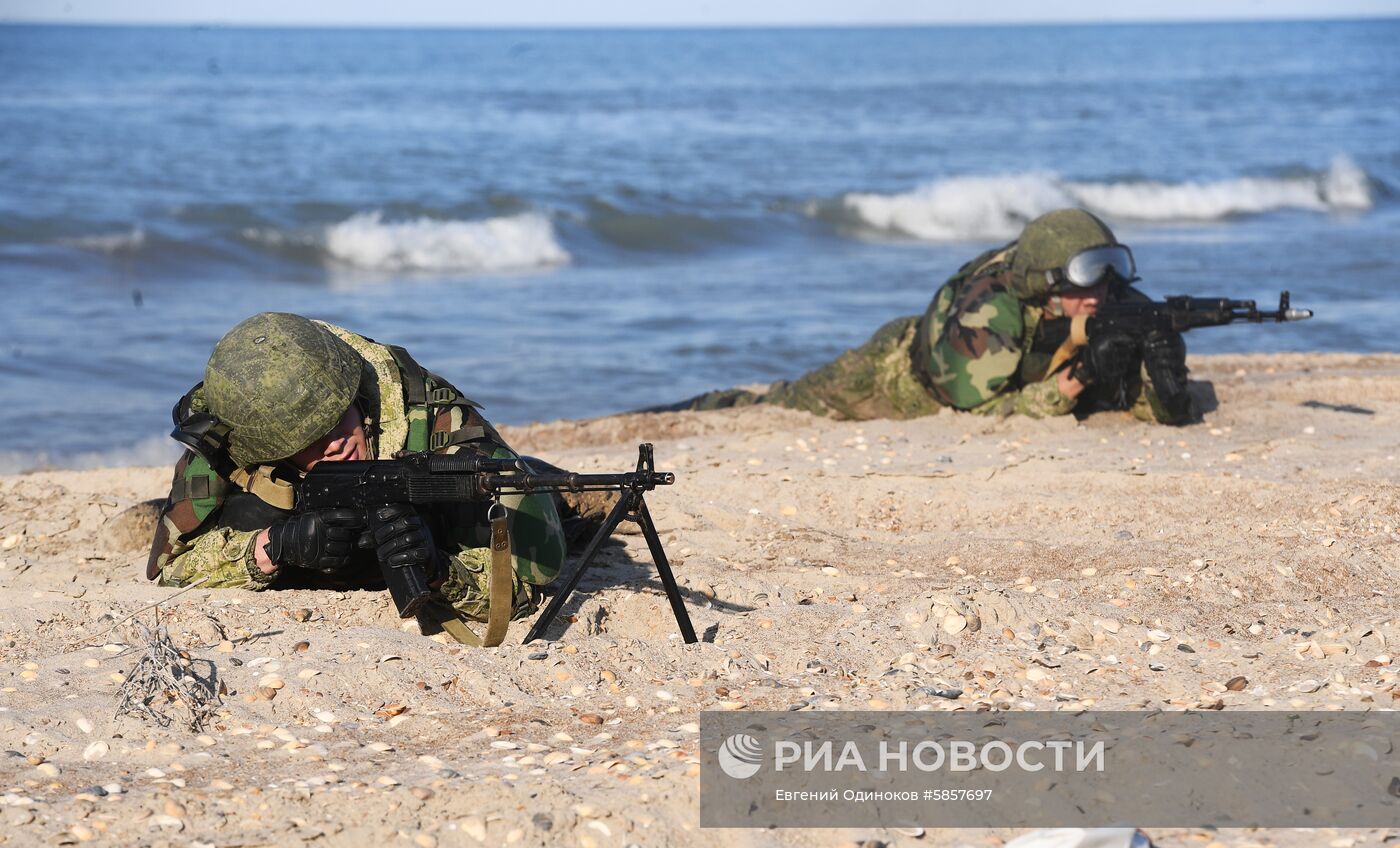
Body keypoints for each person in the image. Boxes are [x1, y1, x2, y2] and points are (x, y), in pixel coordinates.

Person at [147, 312, 570, 646]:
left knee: (558, 500)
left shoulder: (444, 429)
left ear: (354, 396)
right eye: (306, 442)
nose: (333, 445)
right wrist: (270, 548)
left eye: (334, 422)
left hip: (448, 494)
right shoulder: (240, 433)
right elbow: (171, 567)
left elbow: (522, 589)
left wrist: (440, 570)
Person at [672, 209, 1193, 424]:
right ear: (1045, 283)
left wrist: (1165, 381)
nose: (1101, 290)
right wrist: (1079, 377)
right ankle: (690, 406)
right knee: (782, 405)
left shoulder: (1099, 296)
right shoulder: (989, 311)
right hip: (893, 380)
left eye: (1109, 272)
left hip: (1004, 368)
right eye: (1086, 278)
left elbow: (1145, 406)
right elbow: (981, 413)